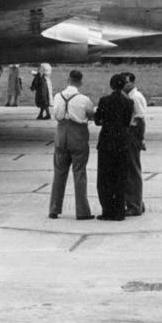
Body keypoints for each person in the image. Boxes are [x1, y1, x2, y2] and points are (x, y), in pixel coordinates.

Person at [48, 70, 96, 220]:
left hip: (61, 134)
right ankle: (82, 211)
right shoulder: (84, 99)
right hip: (78, 135)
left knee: (59, 172)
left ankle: (54, 208)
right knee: (79, 172)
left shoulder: (57, 96)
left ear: (67, 80)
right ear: (80, 82)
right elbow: (91, 115)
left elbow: (55, 113)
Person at [93, 73, 135, 221]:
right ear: (123, 85)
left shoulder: (104, 101)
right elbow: (126, 122)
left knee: (105, 179)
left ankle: (107, 210)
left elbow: (97, 121)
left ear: (111, 85)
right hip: (121, 143)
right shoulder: (129, 103)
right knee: (120, 177)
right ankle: (119, 212)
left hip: (106, 142)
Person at [122, 72, 149, 216]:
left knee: (133, 171)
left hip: (133, 133)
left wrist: (141, 138)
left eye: (126, 82)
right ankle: (137, 202)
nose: (124, 85)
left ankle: (134, 206)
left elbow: (141, 120)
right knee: (130, 170)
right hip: (130, 134)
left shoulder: (135, 97)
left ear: (132, 82)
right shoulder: (130, 96)